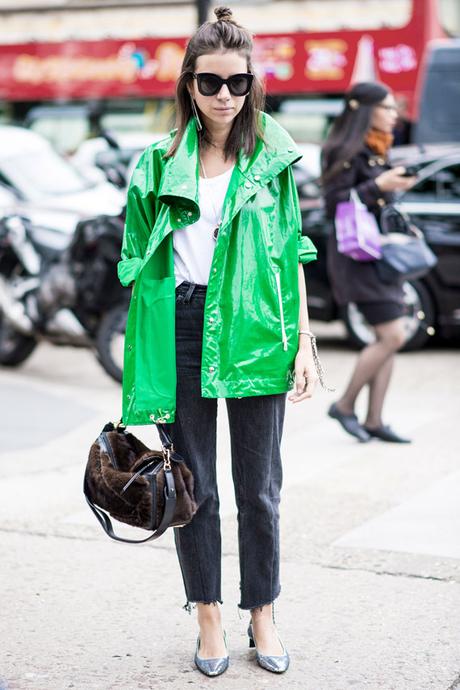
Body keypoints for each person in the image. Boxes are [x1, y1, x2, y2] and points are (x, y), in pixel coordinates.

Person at [118, 5, 321, 677]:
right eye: (211, 83)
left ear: (252, 84)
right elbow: (137, 265)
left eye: (238, 83)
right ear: (188, 85)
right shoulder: (156, 163)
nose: (226, 96)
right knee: (193, 485)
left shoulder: (272, 158)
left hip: (257, 327)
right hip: (180, 325)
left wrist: (305, 342)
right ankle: (206, 613)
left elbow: (291, 249)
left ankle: (261, 612)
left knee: (259, 489)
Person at [321, 81, 417, 444]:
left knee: (388, 337)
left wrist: (391, 185)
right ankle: (345, 406)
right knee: (393, 335)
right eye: (388, 107)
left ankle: (375, 419)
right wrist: (379, 185)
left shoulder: (378, 147)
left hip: (381, 254)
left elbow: (375, 197)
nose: (395, 115)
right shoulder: (343, 148)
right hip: (356, 256)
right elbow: (335, 203)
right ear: (365, 110)